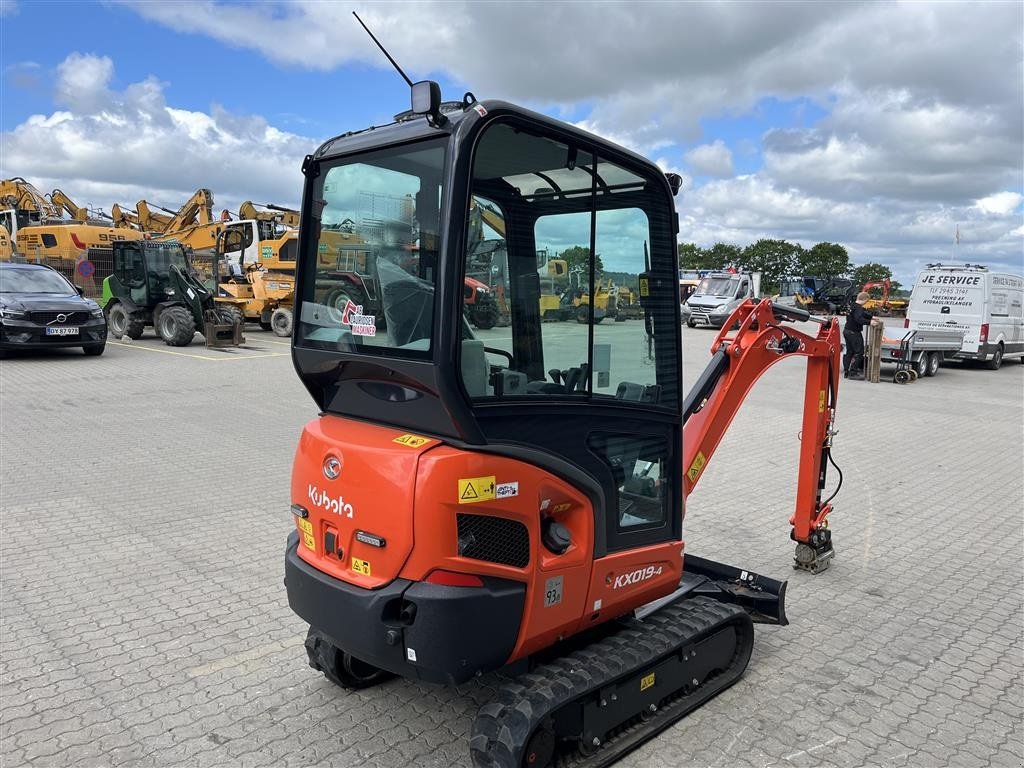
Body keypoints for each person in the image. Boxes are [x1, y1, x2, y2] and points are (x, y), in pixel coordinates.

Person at [844, 291, 882, 380]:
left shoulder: (852, 306)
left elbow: (863, 313)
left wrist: (871, 317)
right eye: (867, 301)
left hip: (847, 331)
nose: (866, 302)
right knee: (859, 352)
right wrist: (870, 322)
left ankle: (846, 371)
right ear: (864, 299)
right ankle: (853, 373)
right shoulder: (859, 308)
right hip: (854, 332)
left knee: (849, 352)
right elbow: (859, 318)